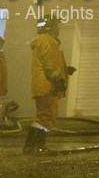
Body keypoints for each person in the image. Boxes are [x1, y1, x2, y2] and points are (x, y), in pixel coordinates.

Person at [27, 20, 71, 152]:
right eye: (57, 26)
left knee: (45, 117)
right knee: (44, 117)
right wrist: (58, 80)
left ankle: (34, 147)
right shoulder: (47, 41)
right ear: (50, 27)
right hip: (48, 86)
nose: (58, 29)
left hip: (44, 85)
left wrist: (65, 70)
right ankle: (36, 147)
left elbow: (51, 64)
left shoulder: (46, 41)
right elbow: (50, 66)